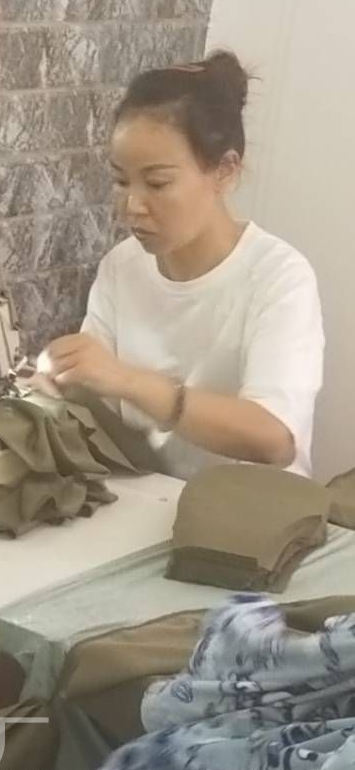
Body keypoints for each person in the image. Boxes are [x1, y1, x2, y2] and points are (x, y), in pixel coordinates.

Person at [37, 51, 324, 479]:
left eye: (157, 183)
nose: (132, 206)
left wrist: (131, 382)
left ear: (225, 170)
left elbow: (275, 439)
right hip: (146, 498)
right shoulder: (122, 267)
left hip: (245, 510)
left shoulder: (278, 278)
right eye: (120, 180)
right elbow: (95, 401)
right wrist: (61, 380)